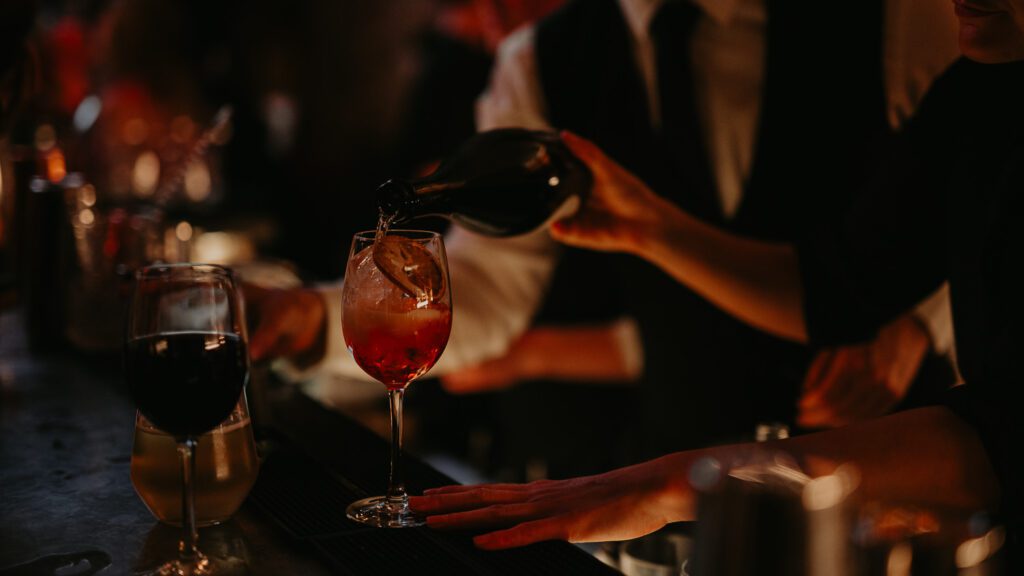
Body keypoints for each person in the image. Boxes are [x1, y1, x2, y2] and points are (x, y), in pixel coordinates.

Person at [406, 0, 1024, 565]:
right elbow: (836, 288)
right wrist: (652, 227)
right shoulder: (978, 88)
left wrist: (689, 480)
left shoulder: (912, 31)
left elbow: (1000, 431)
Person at [250, 0, 960, 464]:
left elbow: (991, 203)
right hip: (681, 483)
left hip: (883, 475)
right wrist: (313, 316)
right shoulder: (540, 62)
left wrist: (922, 325)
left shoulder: (904, 19)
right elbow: (490, 286)